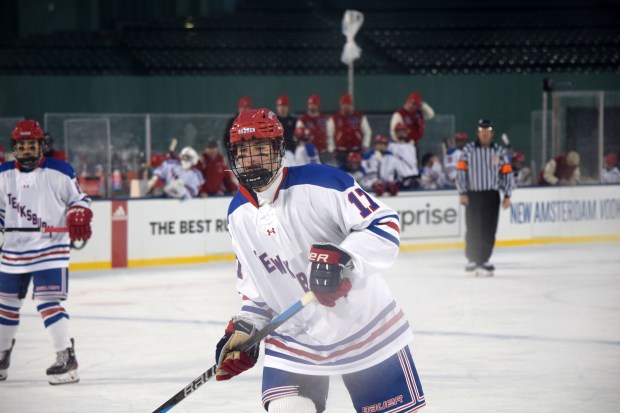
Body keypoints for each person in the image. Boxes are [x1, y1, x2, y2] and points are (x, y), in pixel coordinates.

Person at [215, 108, 426, 413]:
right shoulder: (237, 215)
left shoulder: (322, 182)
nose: (252, 159)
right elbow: (257, 293)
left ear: (278, 149)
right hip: (295, 341)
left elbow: (384, 225)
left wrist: (343, 260)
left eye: (261, 149)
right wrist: (245, 331)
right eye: (244, 151)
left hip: (366, 329)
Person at [0, 119, 93, 384]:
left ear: (41, 146)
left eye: (32, 144)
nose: (27, 150)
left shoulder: (60, 170)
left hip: (50, 248)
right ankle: (2, 354)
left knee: (47, 302)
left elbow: (80, 200)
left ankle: (65, 356)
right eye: (22, 145)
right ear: (14, 147)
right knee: (5, 306)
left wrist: (78, 213)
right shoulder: (3, 173)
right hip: (13, 252)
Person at [456, 119, 514, 276]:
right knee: (473, 227)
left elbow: (506, 173)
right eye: (482, 130)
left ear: (492, 133)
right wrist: (462, 192)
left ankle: (485, 258)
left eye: (488, 130)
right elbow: (461, 171)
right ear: (478, 133)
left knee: (489, 228)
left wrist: (507, 194)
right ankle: (473, 259)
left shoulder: (499, 151)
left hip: (492, 195)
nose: (485, 133)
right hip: (473, 195)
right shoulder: (468, 150)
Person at [326, 92, 372, 167]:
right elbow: (329, 135)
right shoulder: (335, 118)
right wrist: (332, 148)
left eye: (348, 105)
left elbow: (367, 132)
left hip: (356, 150)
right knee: (342, 173)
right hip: (341, 152)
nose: (346, 107)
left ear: (351, 105)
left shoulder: (359, 117)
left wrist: (365, 145)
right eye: (344, 105)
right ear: (341, 106)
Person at [296, 94, 328, 161]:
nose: (312, 106)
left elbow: (328, 134)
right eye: (310, 104)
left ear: (317, 105)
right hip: (310, 153)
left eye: (314, 104)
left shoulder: (323, 118)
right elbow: (298, 137)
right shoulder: (303, 119)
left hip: (323, 152)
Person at [389, 122, 419, 190]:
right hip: (401, 181)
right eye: (399, 131)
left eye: (403, 130)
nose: (401, 132)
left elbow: (414, 163)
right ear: (395, 132)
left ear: (407, 132)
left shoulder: (411, 146)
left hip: (414, 179)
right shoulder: (391, 146)